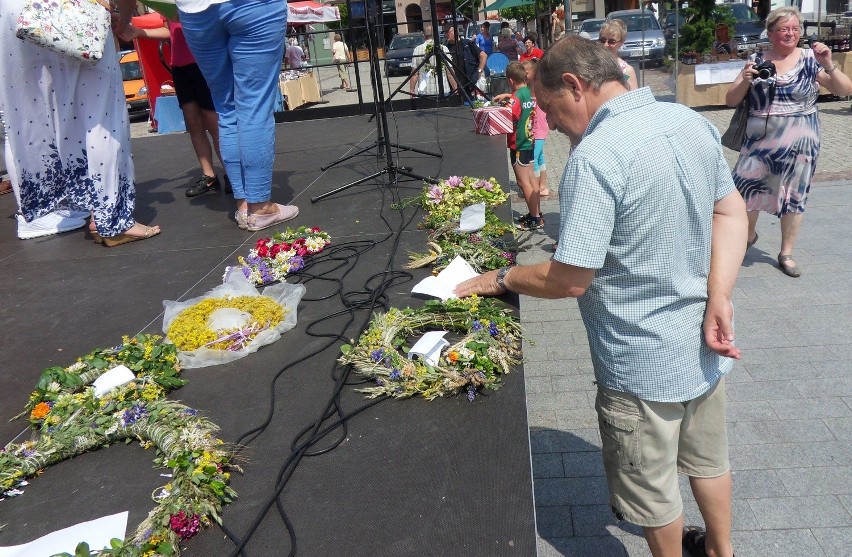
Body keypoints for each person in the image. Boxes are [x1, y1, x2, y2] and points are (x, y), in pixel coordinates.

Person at [455, 36, 748, 557]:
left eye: (549, 110)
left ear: (574, 85)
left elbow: (570, 279)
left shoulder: (596, 156)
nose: (554, 124)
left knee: (652, 491)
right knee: (708, 461)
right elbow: (731, 213)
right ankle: (722, 551)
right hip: (705, 341)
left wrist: (503, 279)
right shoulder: (686, 121)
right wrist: (719, 294)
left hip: (638, 360)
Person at [0, 0, 160, 245]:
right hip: (77, 16)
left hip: (15, 13)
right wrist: (124, 17)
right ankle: (112, 220)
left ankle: (46, 207)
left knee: (31, 113)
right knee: (101, 117)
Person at [726, 6, 852, 277]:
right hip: (760, 141)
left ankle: (786, 252)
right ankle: (747, 236)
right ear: (771, 33)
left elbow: (845, 89)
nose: (791, 34)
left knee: (793, 196)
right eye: (784, 29)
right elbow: (731, 99)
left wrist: (829, 63)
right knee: (745, 190)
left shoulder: (810, 59)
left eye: (795, 29)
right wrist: (745, 80)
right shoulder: (756, 59)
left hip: (801, 142)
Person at [177, 0, 300, 232]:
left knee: (226, 108)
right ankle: (260, 207)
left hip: (196, 12)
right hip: (253, 5)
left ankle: (243, 206)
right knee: (254, 106)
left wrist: (123, 20)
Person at [121, 19, 227, 199]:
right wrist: (139, 32)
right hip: (180, 66)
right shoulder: (168, 7)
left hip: (204, 61)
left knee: (213, 121)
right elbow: (169, 30)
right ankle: (209, 175)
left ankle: (231, 173)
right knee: (193, 122)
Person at [505, 62, 542, 231]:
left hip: (518, 143)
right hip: (530, 140)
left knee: (523, 181)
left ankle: (534, 219)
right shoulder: (528, 92)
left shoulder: (516, 97)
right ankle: (537, 213)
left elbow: (509, 115)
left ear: (511, 80)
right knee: (532, 179)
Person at [444, 27, 486, 100]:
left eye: (448, 32)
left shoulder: (467, 44)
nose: (447, 35)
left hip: (470, 85)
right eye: (445, 33)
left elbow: (483, 56)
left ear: (456, 32)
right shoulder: (446, 48)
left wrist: (479, 72)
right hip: (455, 88)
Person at [598, 20, 637, 89]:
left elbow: (634, 98)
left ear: (621, 43)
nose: (605, 45)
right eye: (603, 40)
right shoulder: (593, 65)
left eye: (612, 41)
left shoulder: (626, 70)